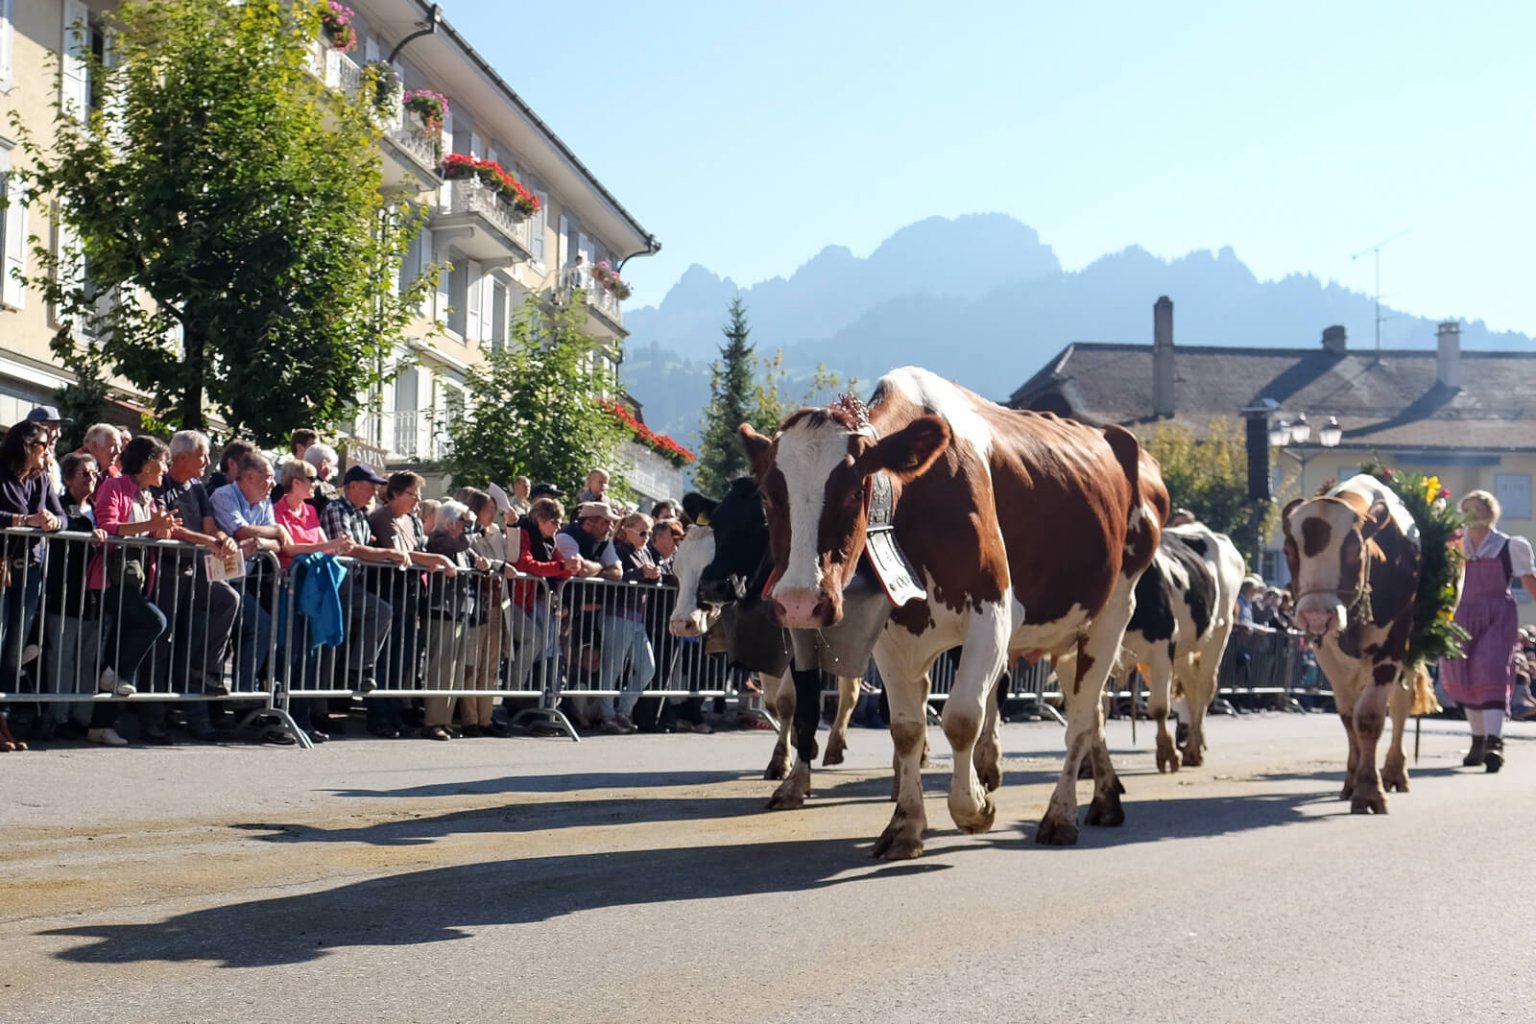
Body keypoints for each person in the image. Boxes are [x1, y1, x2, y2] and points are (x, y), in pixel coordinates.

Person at [1440, 489, 1536, 773]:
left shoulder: (1509, 546)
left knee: (1490, 669)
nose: (1473, 514)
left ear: (1492, 513)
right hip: (1461, 614)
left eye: (1479, 509)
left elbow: (1529, 581)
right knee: (1463, 672)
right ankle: (1478, 740)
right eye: (1468, 509)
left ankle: (1495, 741)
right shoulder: (1455, 545)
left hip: (1497, 615)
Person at [89, 435, 174, 737]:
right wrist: (151, 527)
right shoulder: (114, 487)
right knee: (155, 621)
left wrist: (160, 532)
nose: (166, 469)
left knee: (119, 649)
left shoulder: (148, 497)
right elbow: (108, 527)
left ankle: (100, 725)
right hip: (111, 580)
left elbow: (149, 537)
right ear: (150, 462)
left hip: (136, 581)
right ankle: (115, 678)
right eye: (164, 462)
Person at [272, 458, 352, 742]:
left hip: (310, 588)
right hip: (286, 589)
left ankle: (302, 720)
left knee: (308, 656)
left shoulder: (309, 511)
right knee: (288, 654)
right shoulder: (277, 510)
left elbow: (319, 544)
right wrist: (329, 545)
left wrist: (339, 545)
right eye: (311, 479)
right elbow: (290, 547)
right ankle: (280, 717)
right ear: (296, 481)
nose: (315, 485)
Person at [0, 421, 63, 749]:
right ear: (27, 445)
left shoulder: (40, 479)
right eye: (43, 444)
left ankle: (4, 716)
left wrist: (53, 521)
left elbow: (60, 515)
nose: (48, 451)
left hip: (30, 569)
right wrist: (22, 521)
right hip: (3, 564)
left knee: (14, 649)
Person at [420, 500, 491, 740]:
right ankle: (433, 721)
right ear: (451, 521)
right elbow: (461, 543)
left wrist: (485, 563)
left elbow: (475, 557)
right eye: (464, 521)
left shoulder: (463, 543)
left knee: (457, 668)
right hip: (442, 608)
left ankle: (446, 719)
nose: (467, 526)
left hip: (463, 610)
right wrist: (471, 528)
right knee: (441, 667)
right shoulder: (439, 538)